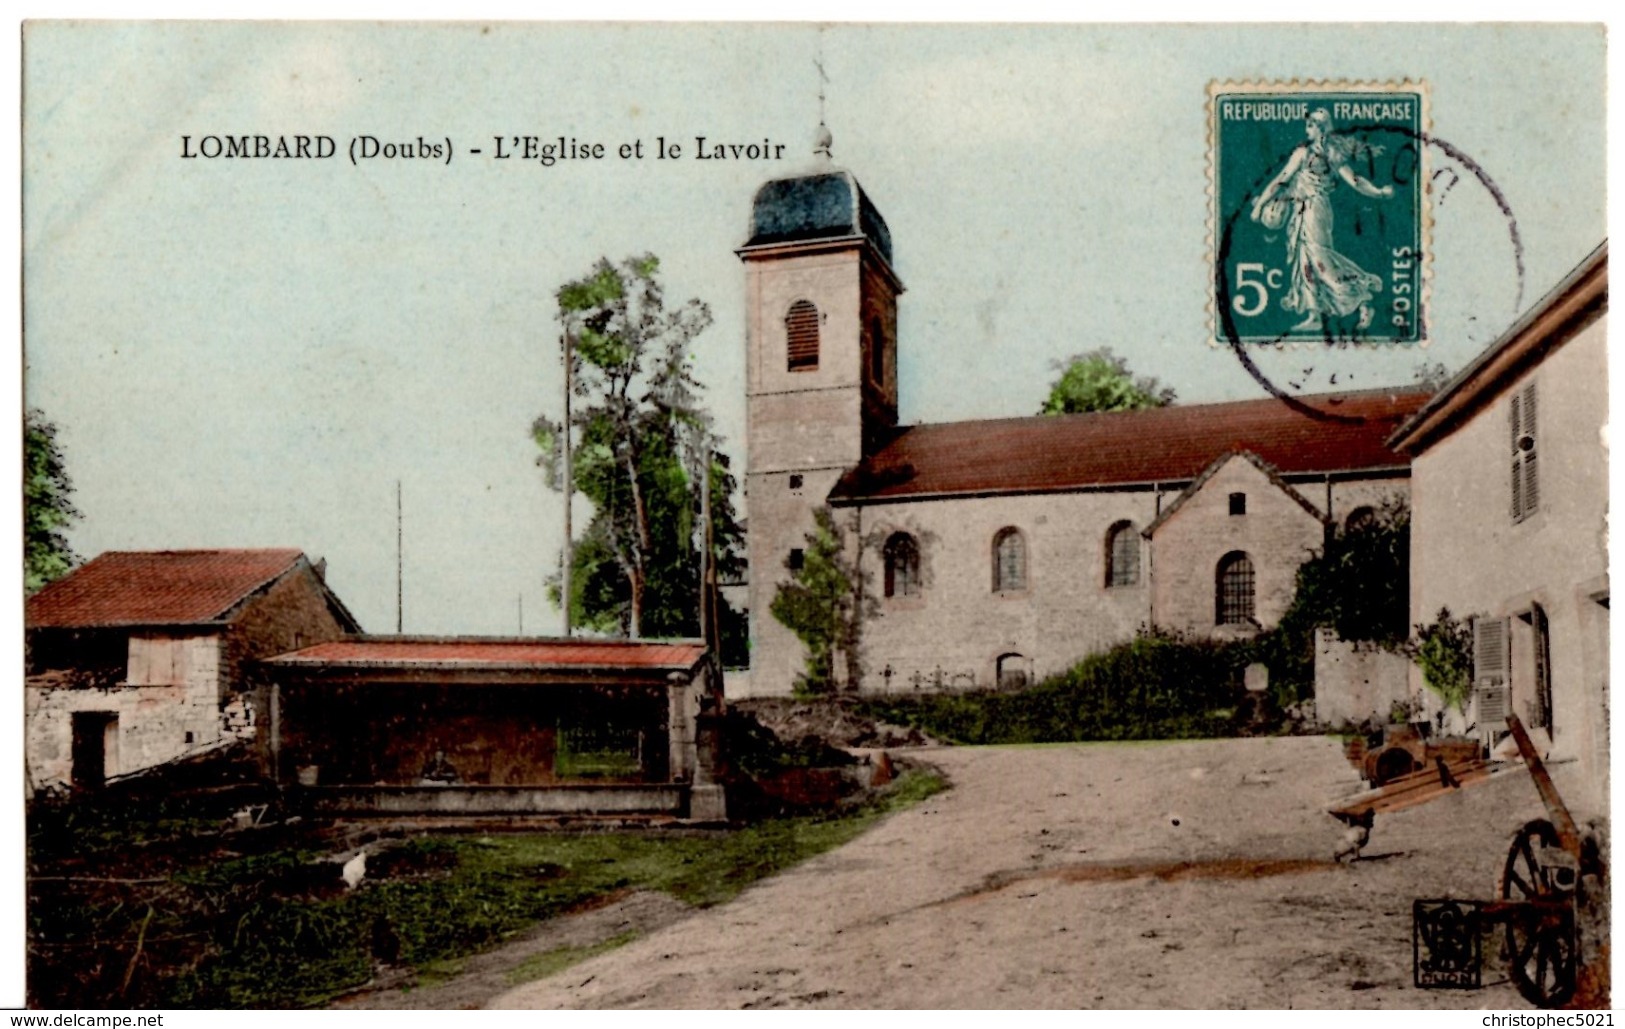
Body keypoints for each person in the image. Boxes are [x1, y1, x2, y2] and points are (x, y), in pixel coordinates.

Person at [1250, 108, 1394, 332]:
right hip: (1300, 210)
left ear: (1321, 128)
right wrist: (1261, 204)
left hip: (1316, 210)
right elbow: (1283, 181)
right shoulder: (1302, 152)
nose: (1307, 129)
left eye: (1311, 125)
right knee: (1305, 260)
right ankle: (1315, 314)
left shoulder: (1330, 153)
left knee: (1320, 259)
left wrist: (1379, 193)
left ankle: (1363, 298)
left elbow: (1354, 180)